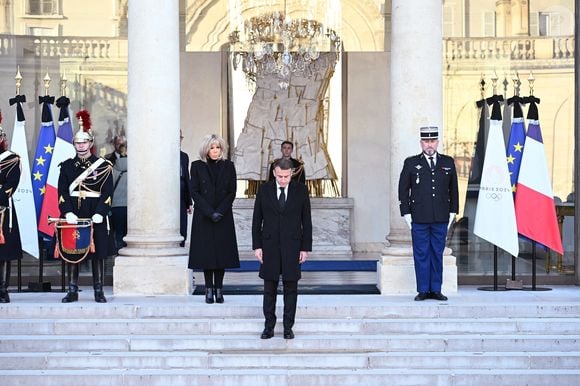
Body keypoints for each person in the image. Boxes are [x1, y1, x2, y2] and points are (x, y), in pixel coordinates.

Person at [252, 157, 312, 340]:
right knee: (269, 287)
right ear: (274, 173)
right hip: (269, 246)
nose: (283, 180)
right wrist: (257, 246)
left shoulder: (301, 190)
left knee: (290, 288)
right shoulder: (264, 190)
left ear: (292, 174)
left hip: (293, 246)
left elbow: (306, 221)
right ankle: (268, 327)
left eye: (286, 176)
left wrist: (305, 248)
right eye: (280, 176)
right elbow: (256, 220)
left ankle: (288, 327)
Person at [398, 126, 458, 302]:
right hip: (419, 218)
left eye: (432, 141)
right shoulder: (411, 163)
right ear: (421, 143)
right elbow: (403, 190)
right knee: (422, 253)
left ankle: (436, 289)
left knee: (437, 253)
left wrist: (453, 212)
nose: (429, 144)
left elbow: (453, 189)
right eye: (426, 141)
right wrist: (406, 214)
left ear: (437, 142)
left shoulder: (448, 162)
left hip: (441, 217)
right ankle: (423, 290)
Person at [58, 115, 114, 303]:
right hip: (74, 212)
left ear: (91, 143)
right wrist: (67, 212)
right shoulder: (66, 166)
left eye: (84, 142)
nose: (81, 145)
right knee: (71, 252)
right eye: (77, 142)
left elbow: (107, 192)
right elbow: (62, 192)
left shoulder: (103, 166)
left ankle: (99, 290)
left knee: (97, 253)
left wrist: (100, 212)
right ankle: (72, 290)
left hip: (95, 212)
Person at [188, 134, 239, 304]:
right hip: (204, 216)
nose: (215, 151)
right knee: (207, 254)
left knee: (222, 254)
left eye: (218, 147)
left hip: (223, 216)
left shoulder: (229, 166)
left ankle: (219, 288)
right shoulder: (196, 166)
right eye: (212, 147)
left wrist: (220, 211)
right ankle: (208, 289)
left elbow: (232, 191)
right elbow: (194, 191)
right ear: (206, 150)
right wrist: (210, 212)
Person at [0, 125, 23, 303]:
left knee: (4, 251)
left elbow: (11, 184)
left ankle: (2, 289)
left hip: (2, 209)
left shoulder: (12, 160)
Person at [110, 141, 127, 251]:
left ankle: (119, 253)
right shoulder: (137, 169)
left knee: (118, 233)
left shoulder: (113, 169)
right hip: (131, 206)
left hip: (116, 206)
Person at [180, 130, 193, 247]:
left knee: (182, 228)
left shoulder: (184, 156)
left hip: (181, 198)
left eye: (180, 138)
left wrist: (189, 201)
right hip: (166, 198)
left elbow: (187, 178)